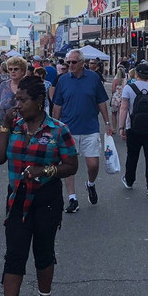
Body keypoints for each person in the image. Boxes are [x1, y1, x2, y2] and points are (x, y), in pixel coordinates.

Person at [0, 76, 78, 296]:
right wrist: (4, 127)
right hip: (17, 199)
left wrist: (46, 170)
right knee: (14, 255)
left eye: (23, 100)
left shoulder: (58, 130)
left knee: (44, 252)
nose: (18, 105)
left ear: (39, 102)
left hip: (47, 201)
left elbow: (71, 165)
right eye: (17, 100)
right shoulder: (13, 125)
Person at [52, 49, 112, 213]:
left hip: (90, 128)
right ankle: (72, 198)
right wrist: (54, 127)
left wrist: (107, 123)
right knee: (68, 166)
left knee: (93, 164)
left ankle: (90, 184)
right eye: (68, 62)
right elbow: (57, 105)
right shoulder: (63, 80)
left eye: (73, 62)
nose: (70, 65)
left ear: (82, 63)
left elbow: (101, 102)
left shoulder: (93, 78)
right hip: (67, 130)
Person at [118, 62, 148, 197]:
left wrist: (122, 127)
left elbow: (124, 108)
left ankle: (129, 180)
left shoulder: (129, 88)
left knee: (132, 155)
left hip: (133, 127)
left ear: (136, 74)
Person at [0, 56, 26, 130]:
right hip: (4, 128)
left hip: (24, 130)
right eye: (10, 69)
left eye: (16, 69)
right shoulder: (3, 85)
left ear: (23, 71)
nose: (13, 71)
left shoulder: (29, 86)